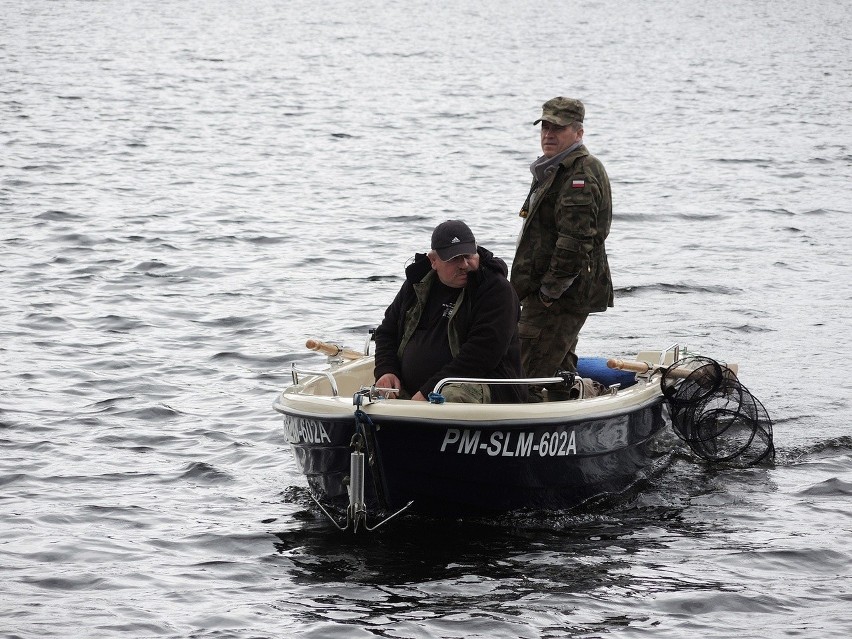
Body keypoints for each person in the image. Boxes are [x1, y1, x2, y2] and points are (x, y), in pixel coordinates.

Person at [510, 97, 614, 397]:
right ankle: (579, 404)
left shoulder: (579, 173)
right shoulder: (554, 169)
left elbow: (575, 242)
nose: (548, 134)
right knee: (558, 368)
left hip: (558, 298)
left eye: (558, 128)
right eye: (545, 126)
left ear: (578, 133)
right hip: (551, 294)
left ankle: (529, 431)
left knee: (523, 376)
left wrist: (547, 293)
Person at [373, 220, 526, 403]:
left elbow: (482, 355)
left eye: (469, 255)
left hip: (486, 387)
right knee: (372, 396)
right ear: (433, 261)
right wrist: (386, 370)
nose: (464, 264)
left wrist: (429, 392)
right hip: (416, 394)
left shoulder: (496, 290)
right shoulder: (416, 285)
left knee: (449, 397)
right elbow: (386, 332)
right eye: (454, 258)